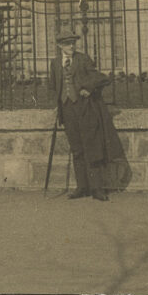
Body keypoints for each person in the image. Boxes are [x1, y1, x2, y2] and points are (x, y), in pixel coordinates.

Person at [49, 32, 126, 201]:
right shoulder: (55, 63)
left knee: (91, 146)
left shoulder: (83, 59)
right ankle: (82, 187)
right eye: (67, 43)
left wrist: (89, 88)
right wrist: (58, 105)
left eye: (73, 43)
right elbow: (53, 86)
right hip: (67, 109)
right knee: (76, 148)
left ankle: (97, 189)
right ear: (60, 46)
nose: (71, 46)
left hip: (84, 108)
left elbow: (100, 78)